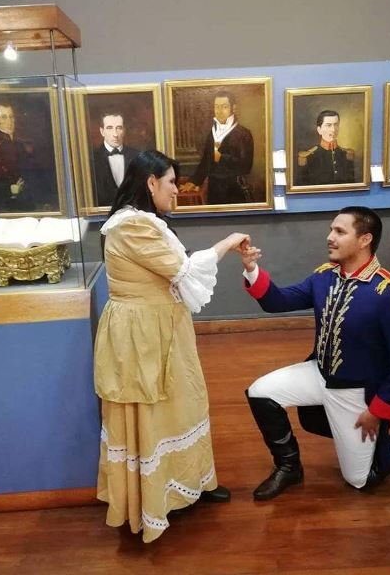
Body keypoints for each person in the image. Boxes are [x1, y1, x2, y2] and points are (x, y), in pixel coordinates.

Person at [94, 149, 249, 542]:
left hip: (162, 326)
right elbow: (185, 271)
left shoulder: (145, 222)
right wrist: (228, 242)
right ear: (151, 183)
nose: (177, 190)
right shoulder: (131, 226)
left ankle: (192, 483)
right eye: (171, 182)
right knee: (152, 411)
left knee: (183, 403)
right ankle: (152, 499)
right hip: (142, 334)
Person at [240, 206, 390, 500]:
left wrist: (378, 411)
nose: (330, 237)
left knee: (360, 479)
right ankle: (289, 467)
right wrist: (251, 269)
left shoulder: (388, 291)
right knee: (261, 392)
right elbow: (278, 301)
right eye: (331, 230)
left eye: (339, 231)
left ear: (364, 239)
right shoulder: (324, 277)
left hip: (355, 392)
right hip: (319, 373)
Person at [180, 91, 254, 205]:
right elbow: (205, 162)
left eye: (224, 107)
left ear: (233, 108)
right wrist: (194, 182)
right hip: (214, 190)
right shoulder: (212, 132)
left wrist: (221, 158)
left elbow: (246, 167)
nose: (219, 111)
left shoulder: (244, 134)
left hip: (234, 190)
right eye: (216, 107)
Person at [0, 102, 35, 212]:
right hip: (6, 204)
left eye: (11, 116)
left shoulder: (19, 144)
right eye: (4, 117)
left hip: (24, 200)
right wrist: (12, 188)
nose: (9, 121)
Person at [295, 110, 355, 186]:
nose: (333, 129)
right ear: (319, 130)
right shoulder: (308, 157)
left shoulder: (347, 154)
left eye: (336, 125)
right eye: (328, 125)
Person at [93, 111, 139, 206]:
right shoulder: (92, 159)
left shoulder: (137, 156)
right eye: (109, 128)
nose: (115, 134)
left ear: (124, 130)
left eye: (119, 128)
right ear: (102, 131)